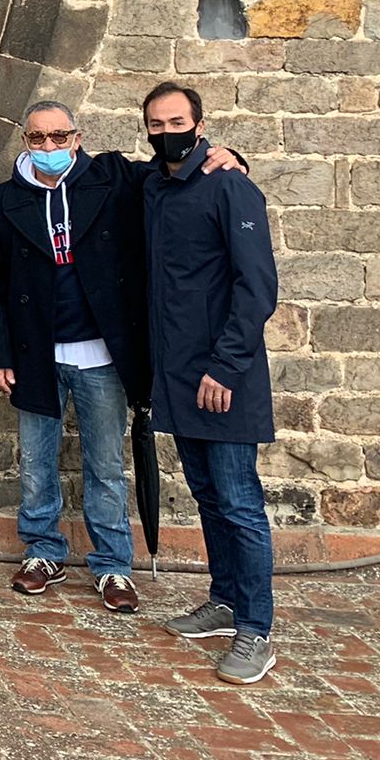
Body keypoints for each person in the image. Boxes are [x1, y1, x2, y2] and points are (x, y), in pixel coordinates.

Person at [0, 100, 244, 614]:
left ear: (77, 137)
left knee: (104, 465)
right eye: (38, 138)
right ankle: (43, 551)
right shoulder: (2, 201)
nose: (49, 147)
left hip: (100, 353)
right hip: (36, 353)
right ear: (24, 141)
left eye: (60, 136)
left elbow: (175, 171)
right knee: (35, 463)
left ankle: (113, 563)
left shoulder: (114, 176)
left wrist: (229, 157)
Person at [144, 82, 281, 685]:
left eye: (177, 120)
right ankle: (225, 599)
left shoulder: (230, 184)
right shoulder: (153, 186)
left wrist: (226, 366)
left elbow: (257, 288)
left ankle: (256, 628)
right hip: (178, 376)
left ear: (200, 125)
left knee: (240, 502)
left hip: (224, 376)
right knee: (205, 495)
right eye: (156, 123)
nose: (166, 131)